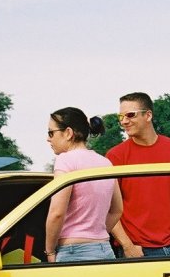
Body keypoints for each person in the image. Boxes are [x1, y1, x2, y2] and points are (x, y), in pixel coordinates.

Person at [105, 92, 170, 258]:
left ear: (148, 115)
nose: (124, 121)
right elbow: (107, 207)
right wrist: (127, 246)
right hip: (136, 250)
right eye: (120, 116)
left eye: (130, 115)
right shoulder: (115, 156)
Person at [45, 107, 122, 263]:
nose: (48, 139)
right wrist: (95, 234)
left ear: (68, 133)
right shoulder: (106, 163)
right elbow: (117, 210)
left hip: (74, 252)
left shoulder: (66, 160)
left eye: (50, 133)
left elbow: (57, 213)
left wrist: (50, 250)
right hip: (105, 250)